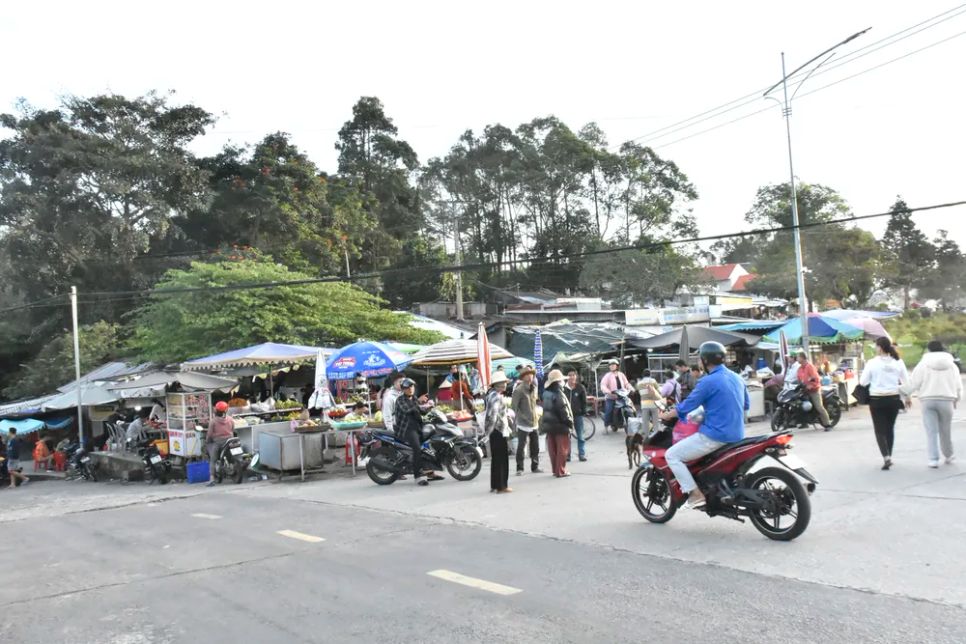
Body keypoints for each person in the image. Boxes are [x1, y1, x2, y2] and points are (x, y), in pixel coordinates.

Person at [660, 341, 749, 509]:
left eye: (700, 359)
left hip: (715, 436)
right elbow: (746, 406)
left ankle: (695, 494)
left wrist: (665, 414)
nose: (699, 363)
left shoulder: (707, 381)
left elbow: (686, 407)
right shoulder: (737, 377)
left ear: (706, 361)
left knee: (672, 455)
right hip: (738, 435)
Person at [901, 340, 963, 468]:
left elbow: (914, 383)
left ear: (929, 350)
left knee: (931, 431)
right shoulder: (952, 365)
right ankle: (949, 455)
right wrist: (957, 399)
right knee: (945, 430)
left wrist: (901, 391)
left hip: (928, 400)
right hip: (947, 400)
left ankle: (933, 459)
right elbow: (958, 385)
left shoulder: (923, 364)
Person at [859, 336, 911, 471]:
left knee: (879, 430)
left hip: (877, 400)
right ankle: (890, 455)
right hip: (893, 399)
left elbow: (863, 381)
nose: (875, 348)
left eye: (876, 346)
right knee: (889, 428)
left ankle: (886, 457)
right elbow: (906, 381)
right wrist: (907, 397)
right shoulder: (898, 362)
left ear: (880, 348)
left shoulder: (872, 363)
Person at [394, 378, 441, 486]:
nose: (410, 389)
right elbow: (409, 410)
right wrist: (419, 402)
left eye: (412, 387)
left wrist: (430, 407)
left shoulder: (414, 398)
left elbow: (421, 411)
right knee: (417, 449)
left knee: (428, 445)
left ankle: (430, 471)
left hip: (417, 427)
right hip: (407, 430)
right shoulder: (400, 400)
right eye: (407, 388)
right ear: (403, 389)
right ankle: (417, 477)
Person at [540, 369, 575, 478]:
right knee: (562, 449)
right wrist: (569, 423)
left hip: (550, 425)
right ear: (558, 382)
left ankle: (555, 470)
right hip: (560, 425)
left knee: (553, 449)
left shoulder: (546, 393)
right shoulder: (559, 394)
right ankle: (561, 471)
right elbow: (563, 411)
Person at [511, 366, 542, 476]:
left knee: (535, 446)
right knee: (521, 446)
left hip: (534, 422)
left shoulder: (533, 388)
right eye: (528, 375)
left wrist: (537, 414)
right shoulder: (518, 390)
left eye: (532, 374)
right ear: (523, 377)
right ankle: (520, 468)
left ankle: (535, 466)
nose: (530, 376)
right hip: (523, 423)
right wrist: (522, 417)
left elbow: (534, 403)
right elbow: (514, 407)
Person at [485, 370, 513, 493]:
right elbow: (493, 415)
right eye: (504, 383)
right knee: (502, 459)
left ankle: (495, 484)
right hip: (498, 430)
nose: (505, 385)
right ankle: (502, 486)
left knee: (496, 459)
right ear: (499, 384)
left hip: (495, 430)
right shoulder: (496, 396)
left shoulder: (491, 395)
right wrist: (489, 431)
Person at [794, 350, 832, 430]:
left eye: (798, 357)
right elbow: (798, 379)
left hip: (814, 390)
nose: (796, 358)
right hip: (804, 390)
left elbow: (816, 378)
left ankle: (827, 424)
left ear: (802, 358)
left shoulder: (809, 366)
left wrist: (811, 385)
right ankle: (804, 422)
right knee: (798, 404)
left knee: (819, 407)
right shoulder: (800, 368)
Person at [206, 401, 236, 486]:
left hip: (218, 443)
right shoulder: (230, 419)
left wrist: (207, 441)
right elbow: (233, 429)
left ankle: (212, 478)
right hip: (230, 441)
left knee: (213, 460)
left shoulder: (213, 421)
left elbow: (209, 434)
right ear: (226, 410)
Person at [564, 370, 588, 462]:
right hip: (566, 416)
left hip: (578, 415)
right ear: (567, 377)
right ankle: (567, 455)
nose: (572, 377)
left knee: (580, 436)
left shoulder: (580, 387)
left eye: (573, 375)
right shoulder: (563, 388)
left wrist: (583, 411)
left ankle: (581, 454)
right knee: (567, 436)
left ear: (576, 376)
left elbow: (584, 401)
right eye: (569, 375)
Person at [600, 358, 630, 431]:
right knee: (609, 410)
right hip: (611, 397)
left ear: (617, 366)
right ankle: (606, 426)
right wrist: (609, 391)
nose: (612, 366)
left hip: (622, 396)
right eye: (610, 365)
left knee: (629, 407)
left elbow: (626, 383)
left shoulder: (621, 374)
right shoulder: (607, 375)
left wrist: (630, 388)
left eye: (613, 365)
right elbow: (603, 385)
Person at [636, 370, 662, 437]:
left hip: (644, 405)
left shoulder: (639, 383)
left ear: (643, 375)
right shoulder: (653, 381)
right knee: (655, 421)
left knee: (645, 422)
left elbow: (639, 393)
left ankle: (646, 438)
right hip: (654, 404)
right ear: (650, 374)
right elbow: (660, 390)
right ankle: (656, 437)